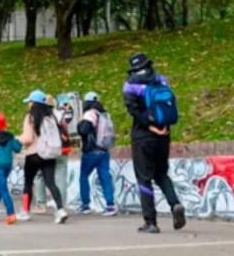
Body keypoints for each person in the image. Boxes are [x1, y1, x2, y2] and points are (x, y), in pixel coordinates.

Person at [123, 52, 185, 233]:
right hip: (164, 135)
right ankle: (175, 204)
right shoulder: (161, 80)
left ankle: (151, 222)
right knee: (161, 174)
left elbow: (133, 110)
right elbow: (168, 107)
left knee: (144, 179)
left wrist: (149, 126)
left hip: (143, 137)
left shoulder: (130, 84)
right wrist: (162, 127)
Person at [17, 90, 69, 224]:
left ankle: (25, 211)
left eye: (30, 102)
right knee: (51, 183)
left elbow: (28, 139)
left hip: (33, 154)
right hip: (49, 154)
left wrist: (18, 138)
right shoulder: (51, 117)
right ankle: (61, 209)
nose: (28, 104)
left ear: (34, 103)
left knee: (28, 183)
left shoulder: (30, 117)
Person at [76, 92, 118, 216]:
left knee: (83, 176)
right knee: (105, 177)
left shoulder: (90, 114)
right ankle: (110, 205)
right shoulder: (104, 114)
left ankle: (85, 205)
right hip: (104, 150)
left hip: (91, 151)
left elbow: (83, 130)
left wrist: (79, 124)